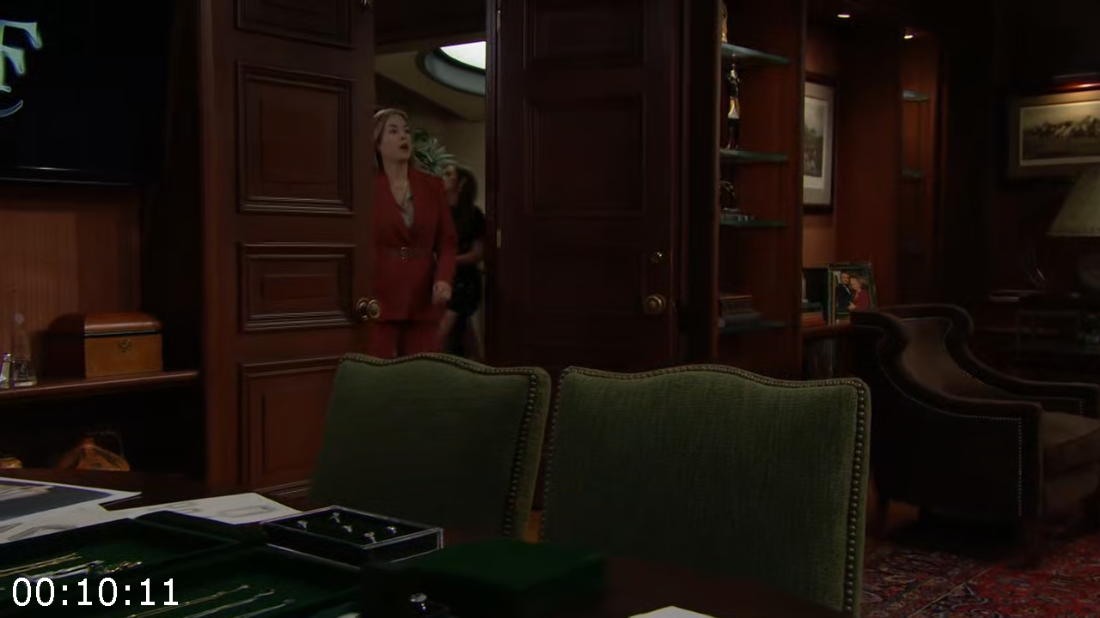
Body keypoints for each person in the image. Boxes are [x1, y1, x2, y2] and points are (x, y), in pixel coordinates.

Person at [368, 108, 457, 358]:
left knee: (424, 370)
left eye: (406, 131)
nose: (403, 136)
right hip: (380, 294)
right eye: (393, 131)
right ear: (377, 143)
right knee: (378, 369)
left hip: (423, 296)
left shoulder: (432, 186)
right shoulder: (365, 188)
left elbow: (447, 241)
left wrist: (444, 279)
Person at [439, 165, 486, 357]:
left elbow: (478, 254)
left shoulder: (473, 215)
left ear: (461, 183)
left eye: (448, 174)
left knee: (441, 334)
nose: (442, 177)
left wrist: (450, 260)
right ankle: (479, 368)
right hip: (442, 279)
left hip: (464, 282)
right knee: (464, 334)